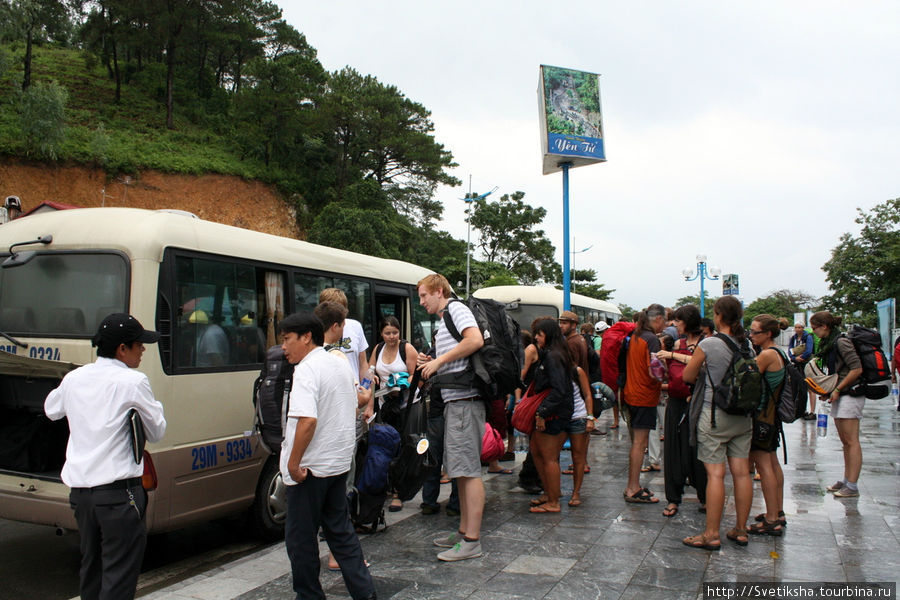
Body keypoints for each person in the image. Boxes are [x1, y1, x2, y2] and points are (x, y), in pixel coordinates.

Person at [44, 313, 167, 600]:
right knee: (119, 574)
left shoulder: (75, 378)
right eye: (139, 345)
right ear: (122, 349)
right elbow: (157, 430)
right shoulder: (133, 381)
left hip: (82, 495)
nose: (143, 350)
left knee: (92, 568)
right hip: (119, 495)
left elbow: (52, 410)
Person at [279, 312, 376, 600]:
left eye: (286, 339)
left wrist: (294, 465)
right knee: (341, 534)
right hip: (336, 465)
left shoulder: (307, 369)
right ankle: (365, 592)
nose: (283, 347)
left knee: (300, 541)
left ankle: (309, 595)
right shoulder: (338, 362)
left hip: (310, 470)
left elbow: (306, 421)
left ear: (306, 337)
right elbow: (355, 402)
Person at [416, 274, 486, 562]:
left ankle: (472, 541)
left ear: (438, 291)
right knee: (460, 470)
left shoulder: (456, 309)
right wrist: (431, 361)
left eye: (423, 296)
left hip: (465, 403)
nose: (421, 302)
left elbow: (475, 340)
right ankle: (462, 533)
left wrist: (438, 361)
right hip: (456, 403)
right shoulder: (446, 318)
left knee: (468, 472)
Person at [682, 296, 753, 550]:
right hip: (743, 416)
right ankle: (741, 529)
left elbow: (687, 375)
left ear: (719, 316)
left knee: (715, 474)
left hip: (714, 413)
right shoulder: (747, 345)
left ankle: (712, 533)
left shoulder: (709, 343)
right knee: (742, 473)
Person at [655, 304, 707, 518]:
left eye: (678, 321)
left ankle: (704, 495)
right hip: (677, 400)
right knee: (673, 448)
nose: (674, 324)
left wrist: (674, 356)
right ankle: (673, 498)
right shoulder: (678, 343)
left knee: (699, 450)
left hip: (699, 401)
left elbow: (703, 365)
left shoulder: (706, 342)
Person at [810, 311, 865, 498]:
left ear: (825, 326)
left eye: (815, 328)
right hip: (840, 394)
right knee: (845, 441)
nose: (814, 332)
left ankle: (853, 484)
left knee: (851, 441)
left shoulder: (841, 342)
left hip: (850, 393)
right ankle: (847, 479)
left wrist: (838, 389)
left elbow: (856, 368)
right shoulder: (829, 343)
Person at [368, 316, 418, 511]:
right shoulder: (378, 349)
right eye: (387, 333)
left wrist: (403, 381)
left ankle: (399, 492)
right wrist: (371, 377)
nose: (391, 337)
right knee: (385, 444)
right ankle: (388, 485)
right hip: (384, 403)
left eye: (395, 333)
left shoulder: (407, 349)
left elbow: (415, 374)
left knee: (403, 445)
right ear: (381, 333)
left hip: (405, 404)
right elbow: (371, 370)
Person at [526, 317, 575, 513]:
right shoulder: (553, 353)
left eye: (539, 334)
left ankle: (553, 501)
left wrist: (542, 412)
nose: (536, 338)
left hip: (554, 414)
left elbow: (559, 389)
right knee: (538, 452)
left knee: (548, 457)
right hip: (553, 411)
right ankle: (549, 493)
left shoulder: (553, 356)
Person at [747, 314, 790, 535]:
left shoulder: (766, 355)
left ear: (768, 334)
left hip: (762, 416)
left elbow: (746, 376)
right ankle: (777, 511)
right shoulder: (780, 352)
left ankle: (772, 519)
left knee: (764, 466)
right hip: (772, 417)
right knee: (772, 463)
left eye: (755, 332)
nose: (751, 335)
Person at [622, 304, 666, 504]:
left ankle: (633, 485)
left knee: (637, 443)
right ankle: (633, 487)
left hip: (631, 392)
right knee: (640, 443)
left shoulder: (636, 336)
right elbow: (653, 372)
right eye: (663, 321)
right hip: (644, 395)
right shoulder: (652, 340)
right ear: (657, 319)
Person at [319, 288, 370, 409]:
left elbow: (362, 363)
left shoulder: (355, 327)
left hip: (355, 398)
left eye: (340, 309)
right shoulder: (315, 331)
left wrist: (367, 398)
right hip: (329, 400)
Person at [789, 323, 816, 420]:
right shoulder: (793, 338)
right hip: (797, 364)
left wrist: (801, 357)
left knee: (810, 387)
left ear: (803, 328)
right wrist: (794, 358)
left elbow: (809, 350)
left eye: (799, 327)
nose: (797, 329)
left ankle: (812, 411)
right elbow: (790, 350)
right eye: (796, 327)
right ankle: (801, 409)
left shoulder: (808, 337)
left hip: (807, 364)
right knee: (800, 388)